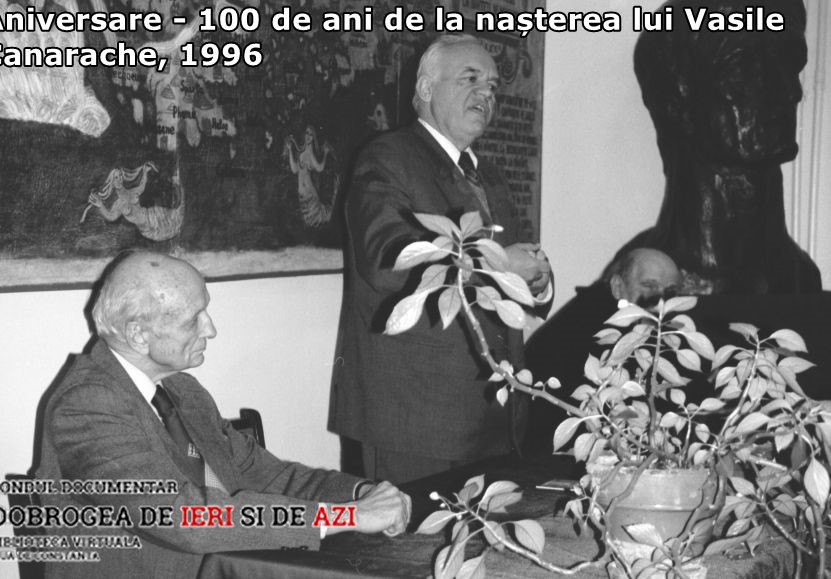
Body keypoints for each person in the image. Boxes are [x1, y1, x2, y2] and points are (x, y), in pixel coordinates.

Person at [36, 251, 411, 579]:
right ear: (138, 335)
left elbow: (270, 476)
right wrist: (347, 517)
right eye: (193, 320)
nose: (211, 329)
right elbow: (184, 517)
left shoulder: (183, 391)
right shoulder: (85, 406)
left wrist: (361, 493)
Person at [329, 34, 552, 484]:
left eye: (492, 86)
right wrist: (499, 266)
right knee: (407, 532)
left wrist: (537, 280)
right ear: (426, 88)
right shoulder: (388, 158)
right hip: (414, 417)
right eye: (470, 79)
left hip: (494, 418)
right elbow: (389, 260)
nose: (486, 93)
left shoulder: (490, 176)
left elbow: (511, 268)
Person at [626, 0, 820, 294]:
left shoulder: (801, 279)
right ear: (676, 99)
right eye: (742, 67)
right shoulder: (638, 284)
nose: (791, 91)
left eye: (789, 64)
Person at [523, 248, 680, 453]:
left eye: (671, 291)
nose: (661, 299)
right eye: (649, 286)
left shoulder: (652, 326)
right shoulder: (587, 327)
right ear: (617, 287)